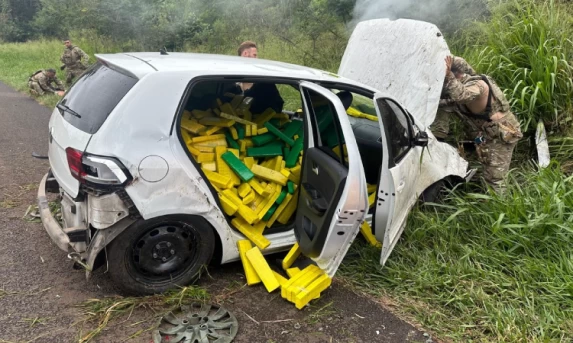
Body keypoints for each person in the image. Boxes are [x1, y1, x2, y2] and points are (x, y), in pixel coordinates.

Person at [442, 55, 523, 191]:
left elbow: (461, 96)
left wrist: (448, 75)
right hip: (490, 134)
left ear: (459, 75)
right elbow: (449, 101)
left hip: (500, 133)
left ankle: (501, 207)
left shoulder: (477, 85)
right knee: (489, 169)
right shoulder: (467, 81)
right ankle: (493, 197)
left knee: (496, 178)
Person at [226, 41, 284, 114]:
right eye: (255, 55)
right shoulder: (229, 83)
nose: (257, 58)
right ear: (245, 54)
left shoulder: (266, 84)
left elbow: (277, 106)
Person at [431, 55, 476, 140]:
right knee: (439, 129)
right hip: (444, 97)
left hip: (461, 92)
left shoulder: (458, 62)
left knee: (472, 123)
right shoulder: (426, 70)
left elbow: (474, 78)